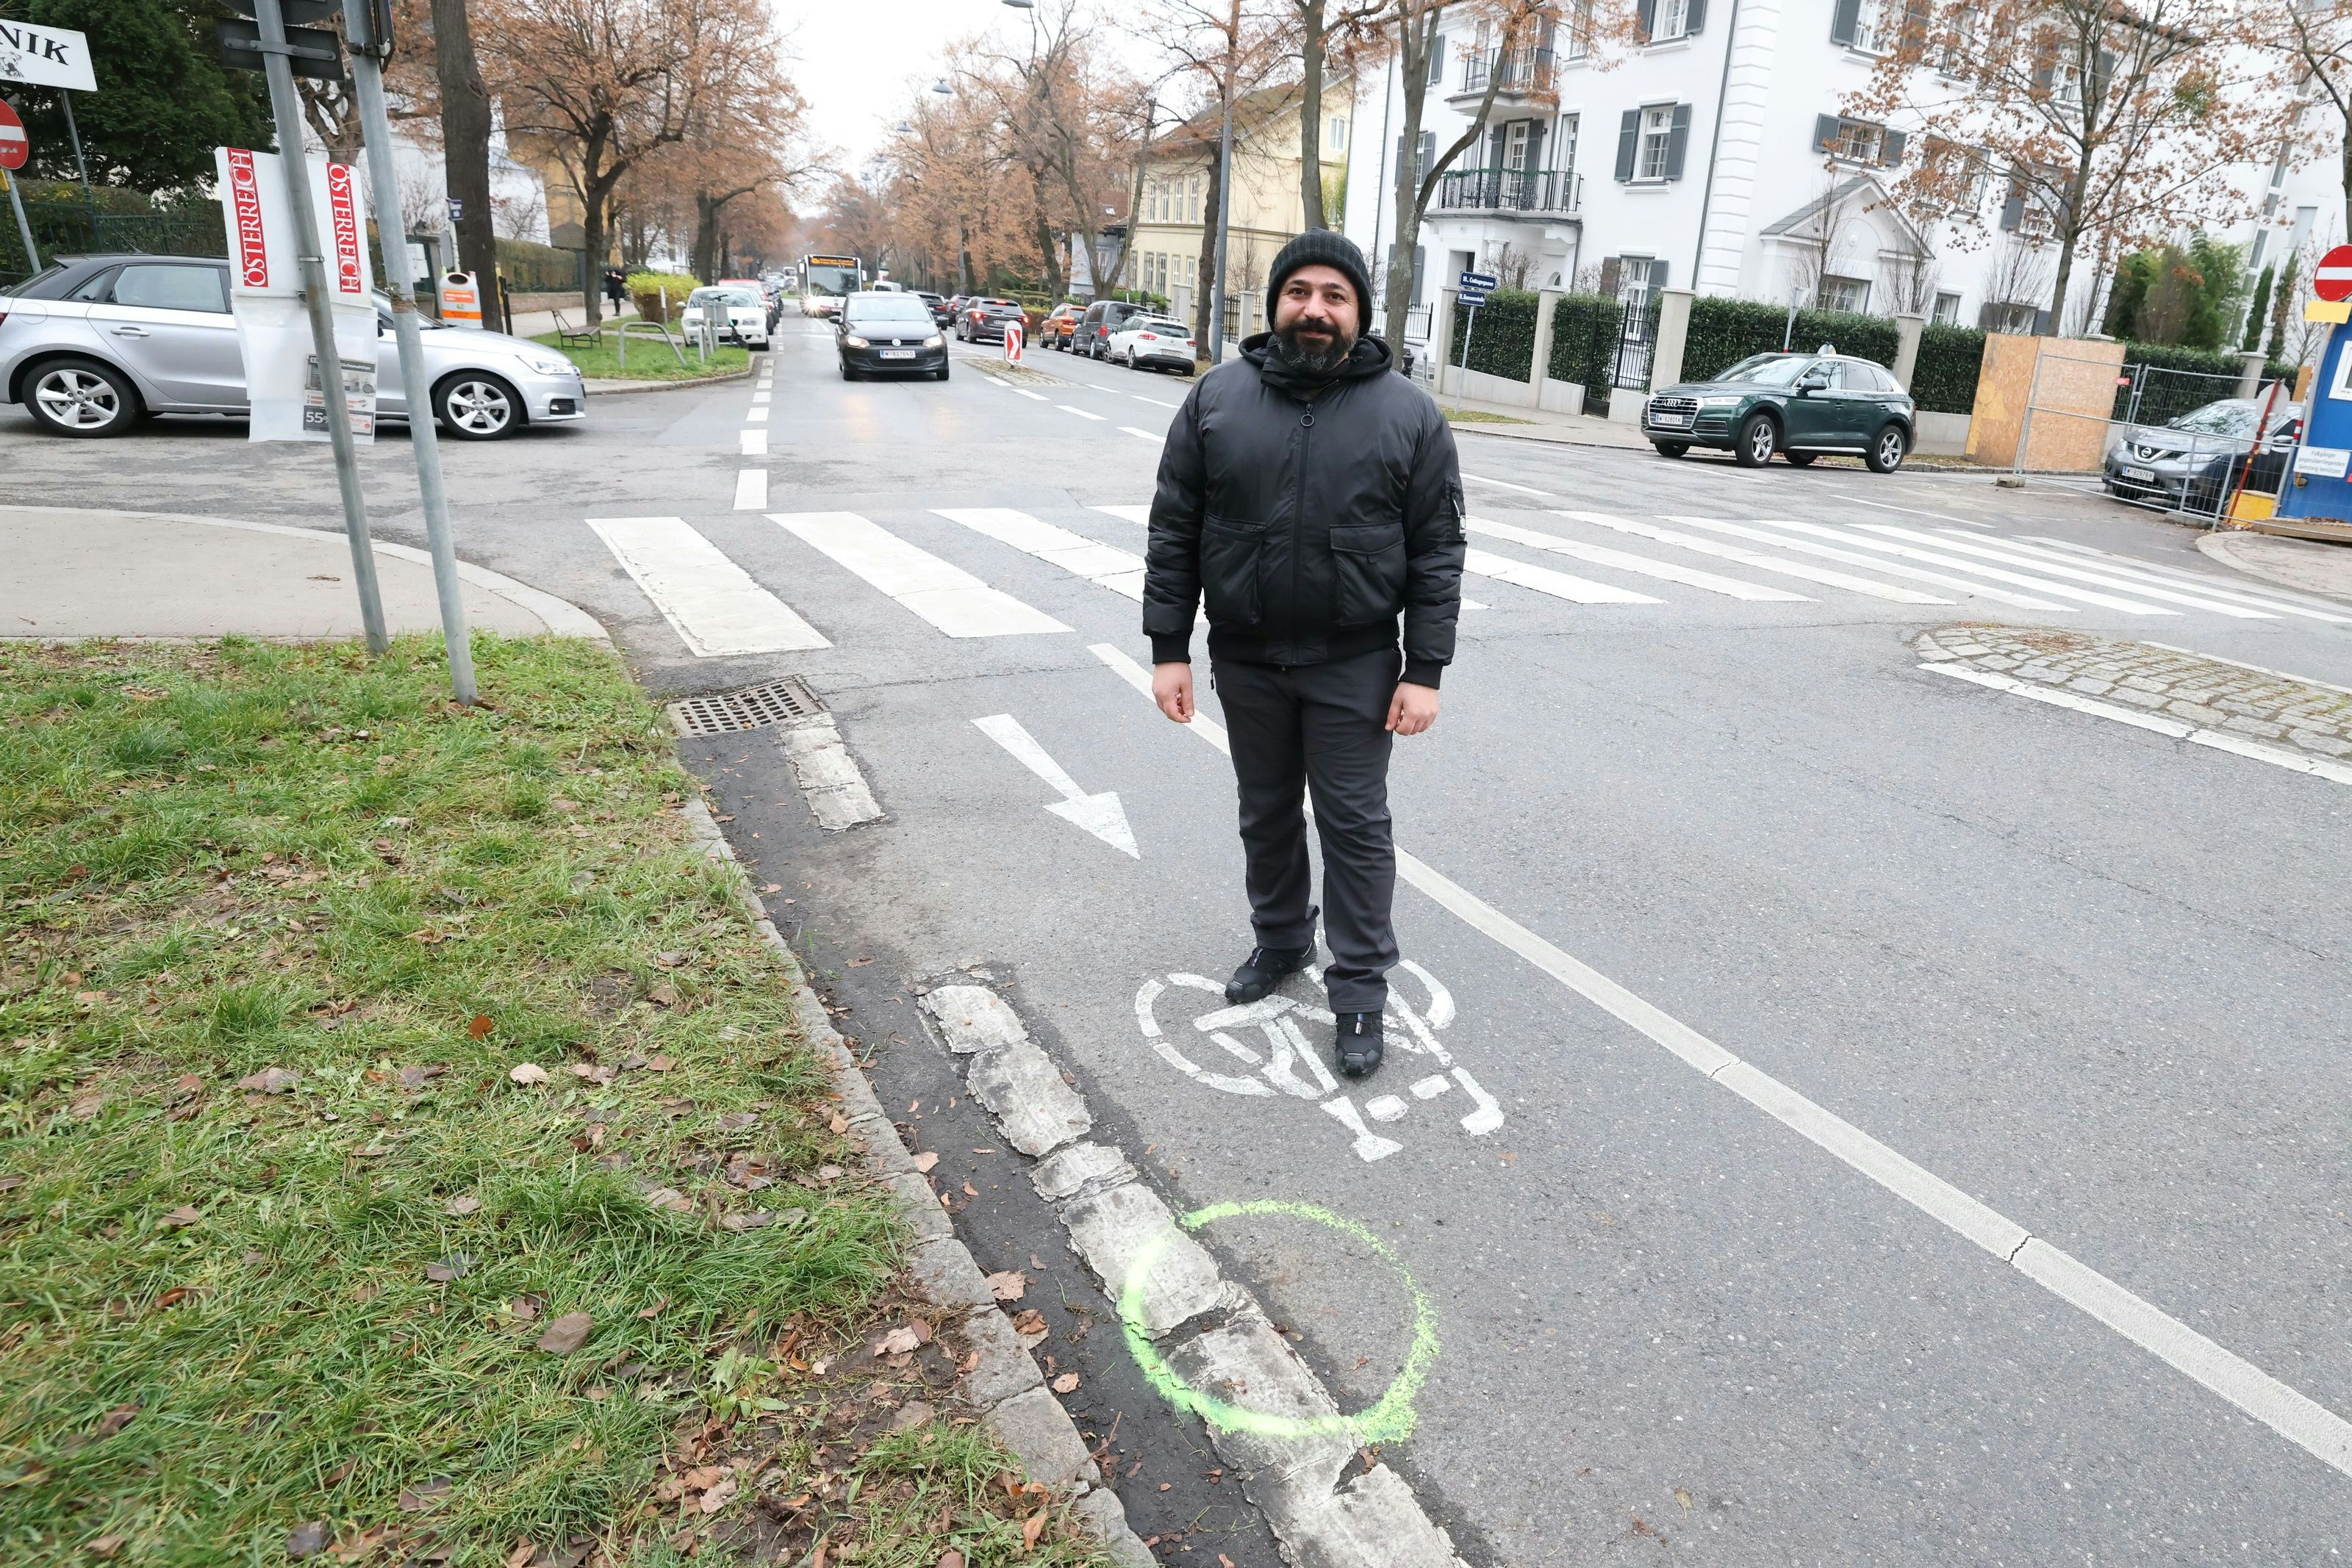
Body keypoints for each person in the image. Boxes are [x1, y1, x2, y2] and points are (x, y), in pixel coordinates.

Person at [1141, 231, 1465, 1080]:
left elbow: (1437, 550)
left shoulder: (1408, 413)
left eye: (1333, 295)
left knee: (1355, 825)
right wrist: (1167, 648)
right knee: (1266, 809)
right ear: (1275, 303)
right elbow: (1174, 528)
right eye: (1299, 293)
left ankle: (1357, 988)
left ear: (1358, 312)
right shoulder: (1216, 398)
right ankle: (1280, 940)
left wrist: (1423, 668)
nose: (1314, 309)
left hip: (1353, 660)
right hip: (1244, 658)